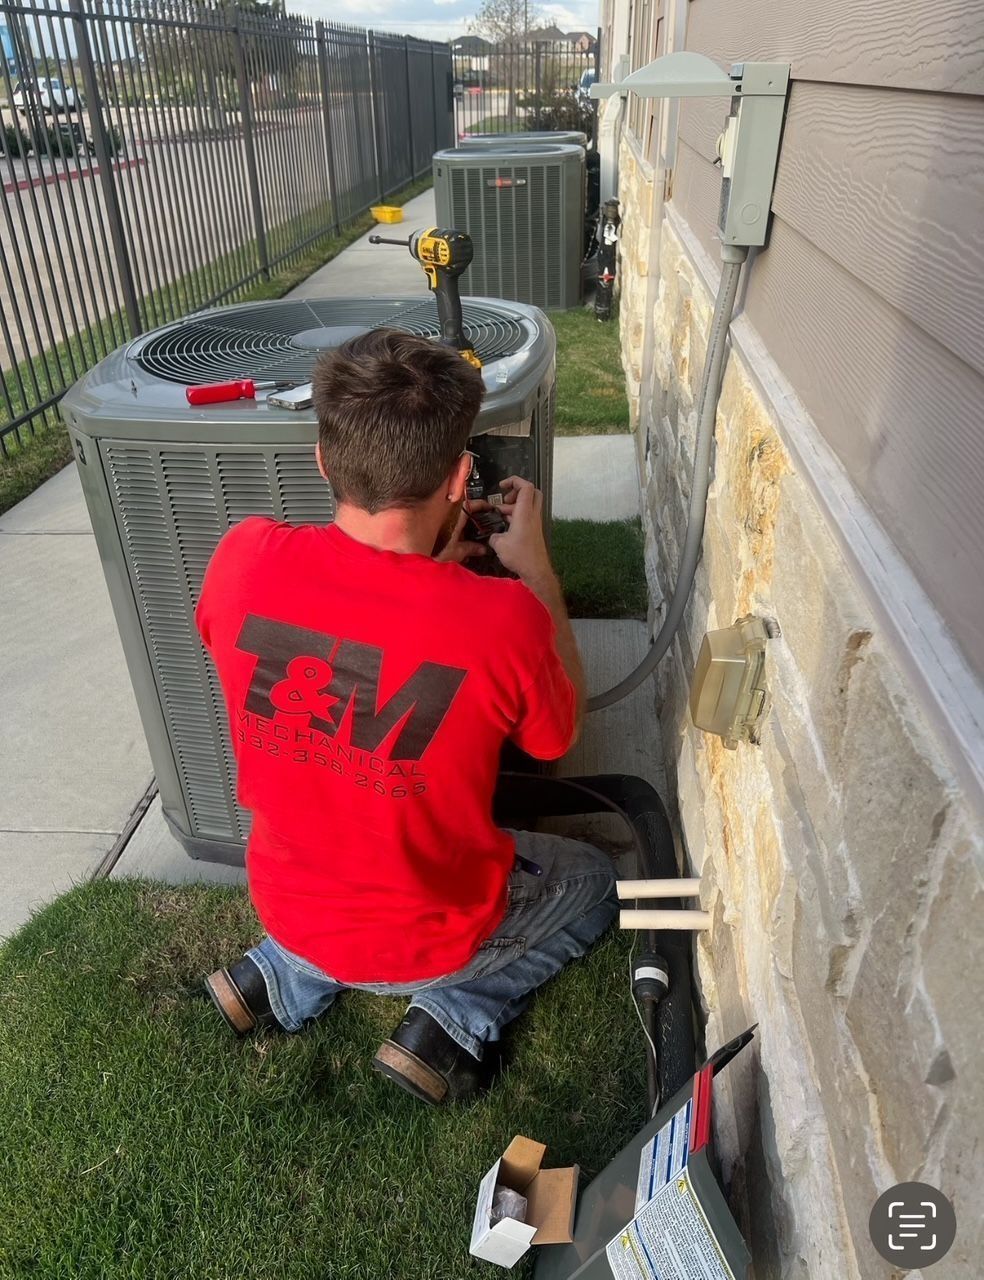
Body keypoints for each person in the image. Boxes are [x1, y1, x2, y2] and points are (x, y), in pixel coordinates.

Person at [196, 328, 617, 1105]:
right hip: (429, 938)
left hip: (286, 902)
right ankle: (455, 1016)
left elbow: (348, 631)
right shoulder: (504, 621)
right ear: (461, 478)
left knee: (328, 861)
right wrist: (537, 574)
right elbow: (557, 736)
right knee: (591, 882)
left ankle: (282, 972)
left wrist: (416, 584)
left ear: (325, 460)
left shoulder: (241, 555)